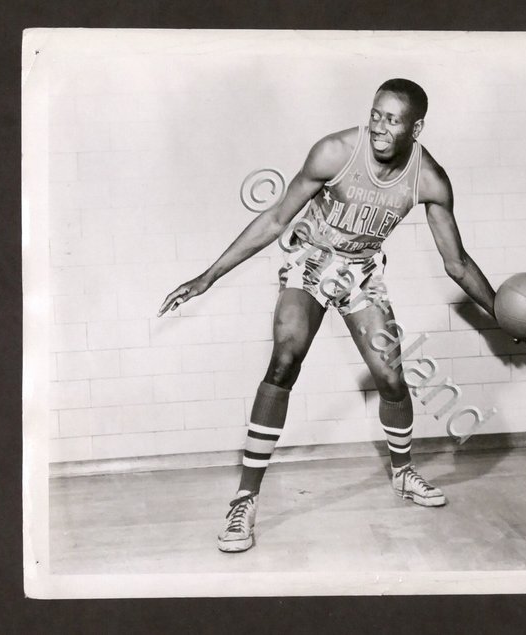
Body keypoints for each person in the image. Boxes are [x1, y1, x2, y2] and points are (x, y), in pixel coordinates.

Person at [159, 78, 504, 553]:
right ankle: (244, 500)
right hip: (310, 260)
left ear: (416, 128)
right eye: (375, 114)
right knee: (285, 359)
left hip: (360, 273)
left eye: (392, 120)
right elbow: (277, 219)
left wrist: (501, 313)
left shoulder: (429, 179)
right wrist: (208, 277)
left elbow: (457, 263)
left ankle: (402, 473)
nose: (379, 127)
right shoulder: (336, 152)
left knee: (392, 377)